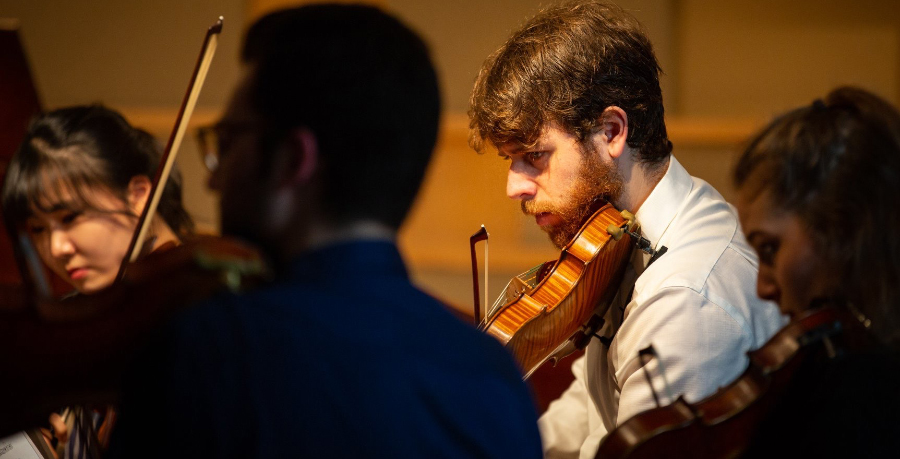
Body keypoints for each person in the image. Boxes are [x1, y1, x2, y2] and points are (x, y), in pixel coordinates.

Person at [106, 4, 542, 458]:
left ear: (294, 159)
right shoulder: (491, 374)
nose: (213, 179)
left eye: (228, 141)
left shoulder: (208, 355)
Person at [468, 1, 784, 456]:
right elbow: (592, 401)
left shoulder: (683, 301)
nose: (513, 187)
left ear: (612, 131)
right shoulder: (624, 232)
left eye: (534, 156)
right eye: (509, 160)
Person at [0, 104, 193, 457]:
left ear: (137, 196)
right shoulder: (98, 319)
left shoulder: (198, 319)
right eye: (38, 229)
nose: (55, 248)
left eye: (70, 216)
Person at [734, 86, 900, 457]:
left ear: (842, 229)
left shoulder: (863, 394)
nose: (763, 288)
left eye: (770, 249)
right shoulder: (830, 362)